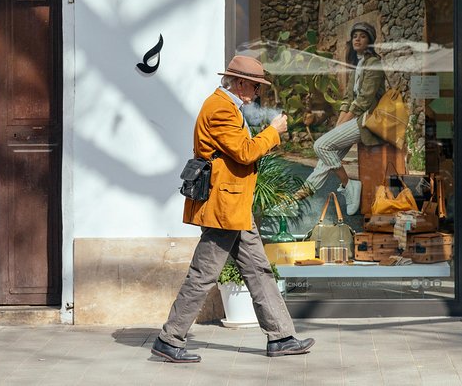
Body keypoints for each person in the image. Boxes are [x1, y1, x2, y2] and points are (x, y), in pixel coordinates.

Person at [151, 55, 315, 363]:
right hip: (223, 207)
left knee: (259, 271)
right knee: (203, 275)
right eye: (254, 86)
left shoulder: (227, 106)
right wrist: (273, 131)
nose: (256, 93)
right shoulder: (219, 109)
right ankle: (169, 339)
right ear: (239, 83)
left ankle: (281, 337)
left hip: (234, 206)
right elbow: (245, 152)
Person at [296, 22, 386, 215]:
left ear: (370, 41)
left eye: (362, 36)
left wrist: (340, 126)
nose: (357, 39)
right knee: (328, 157)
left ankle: (348, 184)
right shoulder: (358, 66)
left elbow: (363, 100)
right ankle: (300, 196)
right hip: (357, 120)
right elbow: (348, 99)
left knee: (321, 146)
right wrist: (339, 125)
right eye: (355, 36)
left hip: (369, 122)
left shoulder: (374, 64)